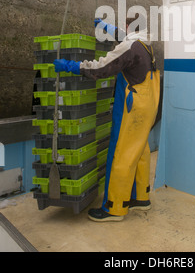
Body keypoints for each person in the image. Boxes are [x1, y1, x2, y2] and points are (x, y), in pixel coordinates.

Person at [54, 16, 160, 222]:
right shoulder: (146, 45)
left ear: (130, 27)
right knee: (140, 151)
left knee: (121, 153)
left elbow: (100, 68)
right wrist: (105, 28)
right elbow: (126, 38)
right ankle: (140, 197)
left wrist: (71, 66)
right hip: (147, 108)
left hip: (132, 109)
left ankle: (115, 208)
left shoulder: (130, 47)